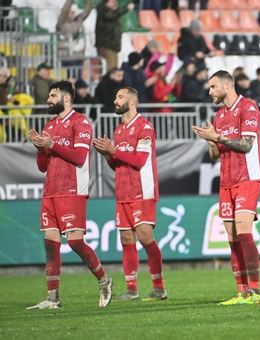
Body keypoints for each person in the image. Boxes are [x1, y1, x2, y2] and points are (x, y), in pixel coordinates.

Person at [26, 80, 113, 309]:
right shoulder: (50, 126)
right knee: (50, 244)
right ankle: (53, 298)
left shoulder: (81, 122)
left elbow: (79, 158)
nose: (48, 100)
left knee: (74, 242)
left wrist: (52, 144)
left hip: (72, 190)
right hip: (51, 191)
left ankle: (104, 281)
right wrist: (40, 150)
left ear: (66, 98)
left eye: (52, 95)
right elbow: (43, 167)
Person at [191, 70, 260, 305]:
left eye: (213, 87)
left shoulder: (248, 108)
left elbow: (246, 145)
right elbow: (216, 154)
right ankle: (241, 291)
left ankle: (255, 291)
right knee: (232, 238)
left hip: (247, 178)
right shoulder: (220, 116)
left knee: (244, 233)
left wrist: (218, 137)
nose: (210, 91)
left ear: (227, 85)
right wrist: (211, 141)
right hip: (226, 181)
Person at [93, 87, 167, 301]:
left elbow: (139, 161)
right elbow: (118, 164)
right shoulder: (119, 130)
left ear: (132, 101)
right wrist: (108, 154)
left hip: (142, 190)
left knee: (145, 237)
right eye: (116, 96)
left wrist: (113, 150)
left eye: (120, 97)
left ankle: (159, 288)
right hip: (123, 191)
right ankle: (132, 289)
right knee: (126, 238)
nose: (115, 100)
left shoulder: (144, 126)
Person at [57, 0, 93, 79]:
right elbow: (64, 10)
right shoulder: (62, 22)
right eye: (71, 12)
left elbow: (87, 12)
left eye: (74, 12)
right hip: (67, 55)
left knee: (78, 78)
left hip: (79, 55)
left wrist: (90, 2)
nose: (73, 14)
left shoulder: (78, 20)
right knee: (70, 77)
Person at [95, 0, 135, 72]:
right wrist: (126, 9)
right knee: (110, 70)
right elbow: (111, 16)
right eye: (113, 2)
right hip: (106, 45)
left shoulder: (109, 11)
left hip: (113, 45)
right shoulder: (103, 10)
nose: (115, 4)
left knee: (113, 68)